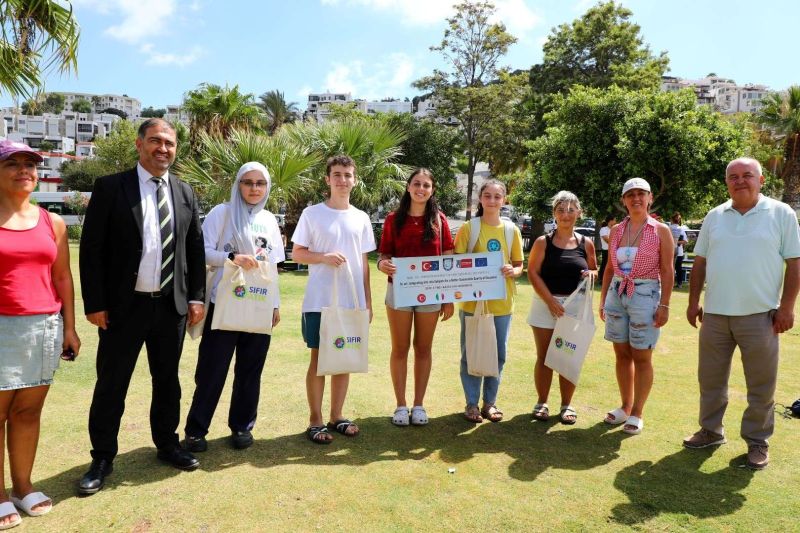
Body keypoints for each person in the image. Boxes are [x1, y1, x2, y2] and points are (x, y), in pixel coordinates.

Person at [78, 118, 206, 495]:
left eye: (169, 143)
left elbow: (194, 250)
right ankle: (102, 456)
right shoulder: (110, 187)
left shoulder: (185, 193)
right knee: (111, 383)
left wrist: (196, 296)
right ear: (139, 144)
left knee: (167, 381)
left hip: (170, 307)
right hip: (122, 308)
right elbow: (91, 250)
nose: (162, 149)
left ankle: (167, 443)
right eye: (155, 141)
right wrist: (96, 302)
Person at [684, 157, 800, 470]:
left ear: (761, 180)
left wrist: (787, 307)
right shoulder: (715, 215)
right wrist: (693, 301)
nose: (740, 181)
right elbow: (700, 263)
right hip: (716, 316)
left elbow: (795, 263)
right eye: (733, 176)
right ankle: (710, 431)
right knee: (710, 380)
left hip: (761, 316)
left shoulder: (781, 213)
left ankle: (757, 442)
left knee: (761, 386)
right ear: (727, 183)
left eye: (747, 175)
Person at [0, 140, 80, 527]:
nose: (23, 171)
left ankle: (22, 486)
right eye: (12, 163)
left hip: (43, 327)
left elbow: (62, 276)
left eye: (30, 164)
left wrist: (70, 327)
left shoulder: (53, 222)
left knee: (28, 412)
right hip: (1, 327)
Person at [183, 162, 284, 452]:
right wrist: (232, 257)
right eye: (247, 182)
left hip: (258, 304)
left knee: (250, 371)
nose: (254, 189)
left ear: (266, 188)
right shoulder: (222, 213)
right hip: (223, 303)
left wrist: (274, 305)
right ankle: (196, 430)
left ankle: (242, 427)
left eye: (260, 184)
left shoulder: (269, 220)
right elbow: (202, 251)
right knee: (212, 370)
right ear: (237, 184)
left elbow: (272, 266)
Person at [291, 155, 376, 444]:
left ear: (355, 180)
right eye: (337, 175)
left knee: (344, 360)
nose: (342, 180)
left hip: (352, 302)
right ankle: (315, 421)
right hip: (319, 301)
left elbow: (363, 263)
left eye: (348, 175)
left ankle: (337, 416)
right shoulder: (312, 214)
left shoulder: (362, 217)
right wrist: (323, 258)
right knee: (318, 360)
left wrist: (367, 302)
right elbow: (297, 253)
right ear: (327, 179)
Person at [377, 168, 455, 426]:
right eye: (417, 184)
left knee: (423, 349)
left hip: (431, 293)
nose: (421, 189)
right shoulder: (392, 219)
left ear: (432, 190)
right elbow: (384, 256)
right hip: (399, 291)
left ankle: (419, 405)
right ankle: (400, 405)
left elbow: (447, 261)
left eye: (426, 185)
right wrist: (383, 265)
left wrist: (447, 297)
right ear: (408, 187)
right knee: (400, 349)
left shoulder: (439, 220)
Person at [599, 178, 674, 435]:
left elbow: (667, 269)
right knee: (621, 353)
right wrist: (602, 300)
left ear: (650, 198)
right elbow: (609, 267)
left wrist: (664, 304)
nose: (636, 198)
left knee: (642, 355)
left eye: (641, 193)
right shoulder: (617, 230)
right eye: (630, 194)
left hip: (645, 293)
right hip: (617, 293)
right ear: (624, 200)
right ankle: (625, 406)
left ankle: (638, 412)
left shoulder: (660, 230)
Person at [454, 180, 524, 423]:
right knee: (470, 354)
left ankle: (490, 403)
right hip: (473, 305)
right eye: (487, 196)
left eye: (497, 196)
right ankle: (471, 404)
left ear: (504, 200)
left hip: (502, 305)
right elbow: (457, 262)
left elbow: (519, 265)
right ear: (480, 199)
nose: (492, 201)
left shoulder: (510, 230)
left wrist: (511, 272)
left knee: (498, 355)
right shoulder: (469, 228)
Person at [527, 191, 597, 424]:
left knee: (569, 356)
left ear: (579, 213)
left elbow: (594, 269)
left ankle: (567, 405)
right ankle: (542, 402)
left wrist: (592, 273)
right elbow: (533, 273)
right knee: (545, 356)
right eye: (560, 209)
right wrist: (550, 301)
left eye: (570, 209)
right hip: (545, 305)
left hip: (574, 308)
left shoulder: (586, 243)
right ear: (554, 213)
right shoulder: (542, 242)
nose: (565, 214)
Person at [669, 212, 689, 288]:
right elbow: (685, 241)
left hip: (669, 251)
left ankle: (670, 283)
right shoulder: (681, 229)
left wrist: (674, 241)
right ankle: (679, 283)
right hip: (679, 252)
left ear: (671, 219)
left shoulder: (668, 228)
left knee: (669, 268)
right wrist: (677, 242)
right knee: (678, 268)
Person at [598, 215, 616, 283]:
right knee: (604, 265)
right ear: (610, 221)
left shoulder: (613, 229)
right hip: (606, 250)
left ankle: (610, 280)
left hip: (613, 250)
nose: (615, 222)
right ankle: (601, 280)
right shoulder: (603, 229)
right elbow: (607, 240)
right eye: (614, 220)